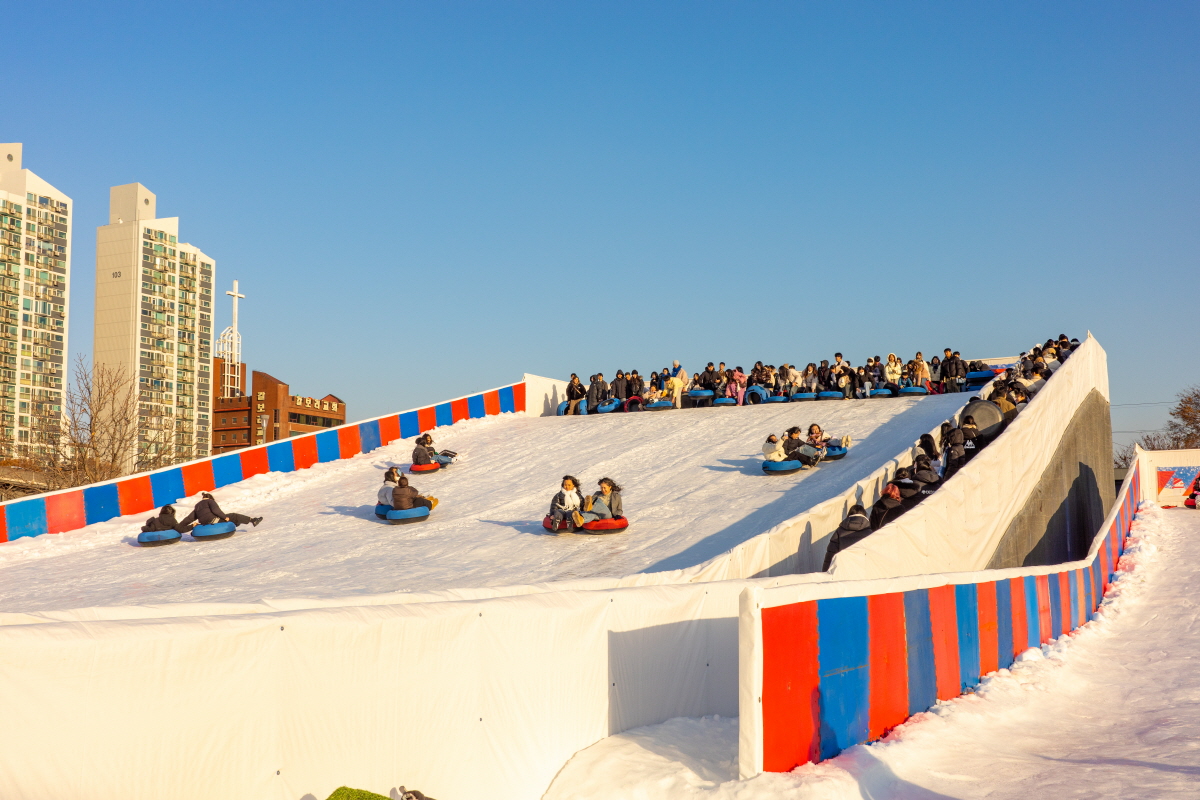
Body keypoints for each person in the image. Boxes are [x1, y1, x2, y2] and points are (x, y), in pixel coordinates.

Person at [822, 505, 873, 570]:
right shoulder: (869, 533)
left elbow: (831, 553)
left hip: (843, 570)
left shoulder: (840, 531)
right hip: (863, 570)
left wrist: (825, 572)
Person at [176, 492, 262, 531]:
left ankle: (236, 523)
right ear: (210, 498)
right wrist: (225, 517)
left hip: (204, 523)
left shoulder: (197, 505)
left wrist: (179, 526)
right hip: (213, 521)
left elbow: (189, 518)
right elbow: (216, 510)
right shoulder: (210, 501)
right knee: (233, 515)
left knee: (228, 518)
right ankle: (253, 520)